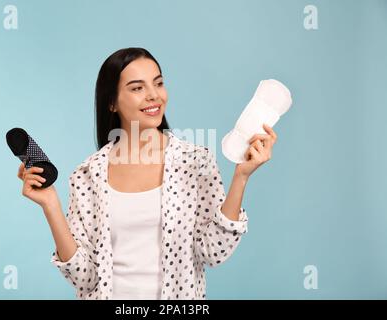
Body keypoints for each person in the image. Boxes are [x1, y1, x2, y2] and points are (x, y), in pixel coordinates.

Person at [17, 47, 278, 300]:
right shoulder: (87, 175)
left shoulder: (195, 162)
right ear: (111, 103)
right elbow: (84, 278)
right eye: (137, 88)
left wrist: (241, 177)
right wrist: (51, 205)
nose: (154, 95)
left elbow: (212, 252)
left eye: (158, 83)